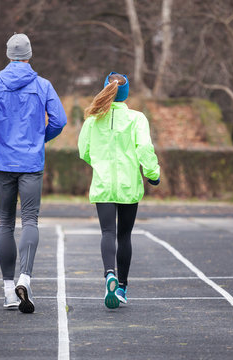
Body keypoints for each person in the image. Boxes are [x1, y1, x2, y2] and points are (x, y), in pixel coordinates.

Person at [0, 33, 67, 313]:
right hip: (30, 163)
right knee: (30, 220)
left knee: (5, 223)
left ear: (8, 54)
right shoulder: (43, 85)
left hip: (3, 160)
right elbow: (59, 120)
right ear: (29, 55)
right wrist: (41, 137)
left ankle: (7, 291)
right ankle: (25, 278)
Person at [77, 72, 160, 309]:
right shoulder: (137, 118)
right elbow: (144, 148)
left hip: (103, 184)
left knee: (107, 233)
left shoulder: (93, 119)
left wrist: (100, 163)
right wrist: (153, 174)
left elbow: (83, 150)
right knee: (124, 236)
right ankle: (121, 286)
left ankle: (109, 274)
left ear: (105, 89)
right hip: (128, 185)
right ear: (126, 94)